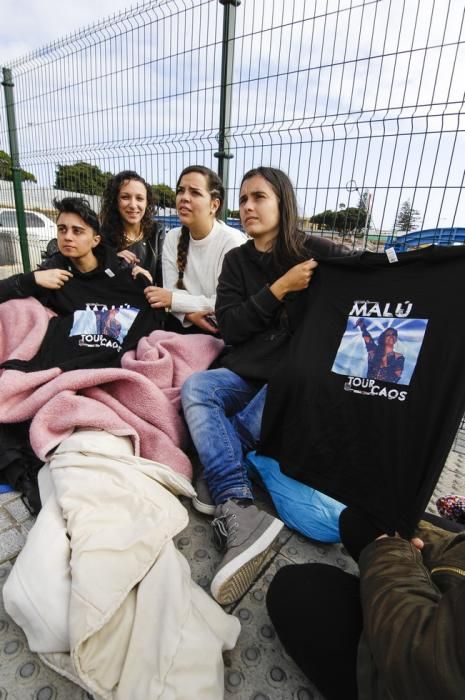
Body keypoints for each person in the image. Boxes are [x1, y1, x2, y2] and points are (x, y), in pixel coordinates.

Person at [181, 166, 351, 605]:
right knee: (198, 388)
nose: (249, 207)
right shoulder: (236, 260)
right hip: (244, 371)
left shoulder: (313, 250)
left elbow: (360, 278)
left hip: (291, 381)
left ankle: (221, 467)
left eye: (259, 197)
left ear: (282, 202)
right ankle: (238, 504)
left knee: (282, 385)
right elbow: (232, 327)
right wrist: (279, 288)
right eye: (243, 200)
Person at [266, 508, 465, 700]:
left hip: (415, 675)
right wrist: (425, 551)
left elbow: (425, 660)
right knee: (365, 516)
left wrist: (391, 552)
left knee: (297, 587)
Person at [0, 196, 162, 372]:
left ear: (95, 240)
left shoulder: (123, 271)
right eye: (62, 229)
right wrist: (31, 280)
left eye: (77, 231)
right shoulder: (52, 273)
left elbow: (156, 318)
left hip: (117, 368)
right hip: (64, 369)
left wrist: (146, 282)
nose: (67, 237)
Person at [144, 165, 245, 334]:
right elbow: (170, 291)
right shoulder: (172, 237)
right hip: (183, 322)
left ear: (214, 205)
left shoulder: (232, 241)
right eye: (180, 191)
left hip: (220, 329)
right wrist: (189, 315)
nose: (184, 198)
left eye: (195, 192)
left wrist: (173, 300)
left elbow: (224, 303)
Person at [100, 170, 165, 286]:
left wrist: (148, 282)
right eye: (125, 197)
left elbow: (164, 281)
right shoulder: (102, 236)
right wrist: (113, 261)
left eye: (139, 198)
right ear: (115, 201)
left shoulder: (157, 232)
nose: (133, 205)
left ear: (147, 203)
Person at [356, 319, 405, 383]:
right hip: (367, 386)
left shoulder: (399, 357)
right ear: (383, 338)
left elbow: (397, 375)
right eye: (388, 335)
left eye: (394, 334)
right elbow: (368, 340)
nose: (391, 336)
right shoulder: (374, 352)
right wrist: (362, 327)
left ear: (396, 338)